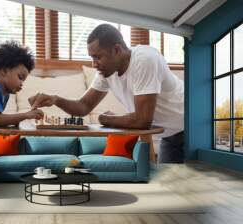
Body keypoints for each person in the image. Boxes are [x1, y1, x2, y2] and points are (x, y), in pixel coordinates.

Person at [28, 24, 184, 163]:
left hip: (188, 128)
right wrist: (55, 99)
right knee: (169, 187)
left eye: (97, 57)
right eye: (92, 58)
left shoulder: (145, 60)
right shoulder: (106, 71)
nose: (94, 64)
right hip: (168, 134)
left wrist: (106, 119)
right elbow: (83, 107)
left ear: (116, 50)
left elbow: (142, 121)